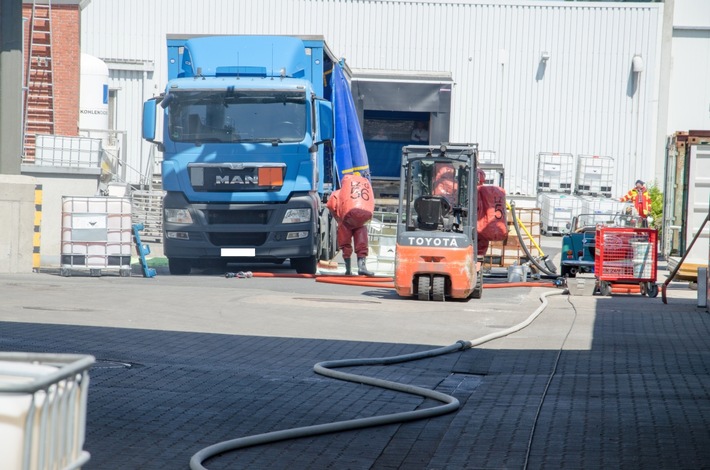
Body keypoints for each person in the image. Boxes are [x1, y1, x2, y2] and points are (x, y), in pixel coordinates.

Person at [326, 175, 375, 276]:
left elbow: (330, 205)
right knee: (362, 243)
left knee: (345, 245)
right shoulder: (361, 191)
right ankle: (362, 267)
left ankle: (348, 269)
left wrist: (338, 217)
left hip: (345, 222)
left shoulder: (338, 193)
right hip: (361, 221)